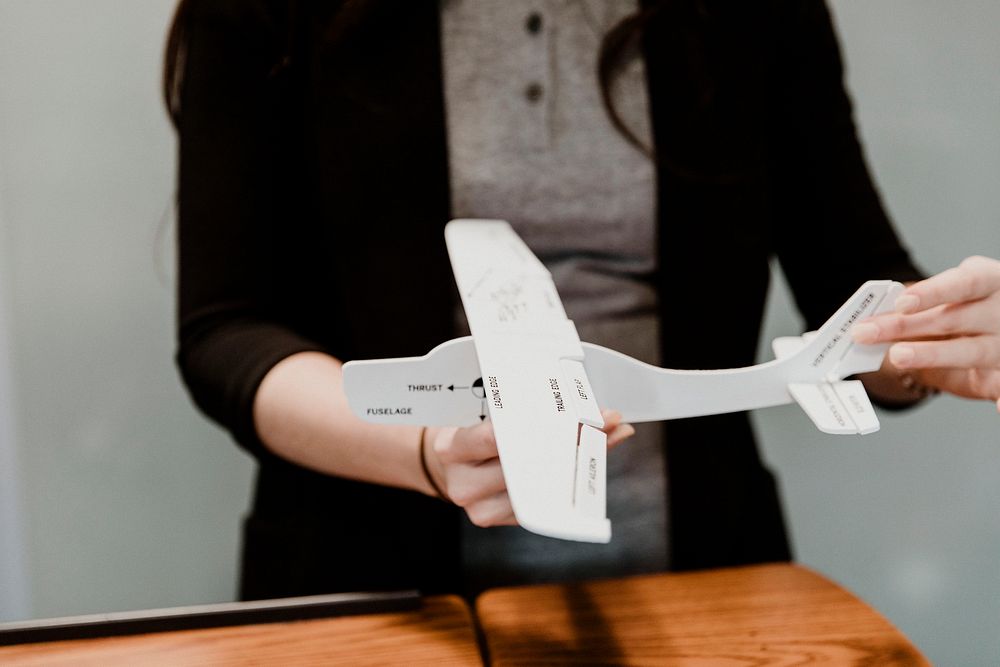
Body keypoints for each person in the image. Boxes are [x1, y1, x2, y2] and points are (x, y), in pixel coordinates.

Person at [164, 0, 1000, 601]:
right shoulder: (264, 15)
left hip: (698, 585)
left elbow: (858, 279)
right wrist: (426, 451)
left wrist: (940, 344)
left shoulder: (756, 14)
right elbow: (224, 331)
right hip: (368, 590)